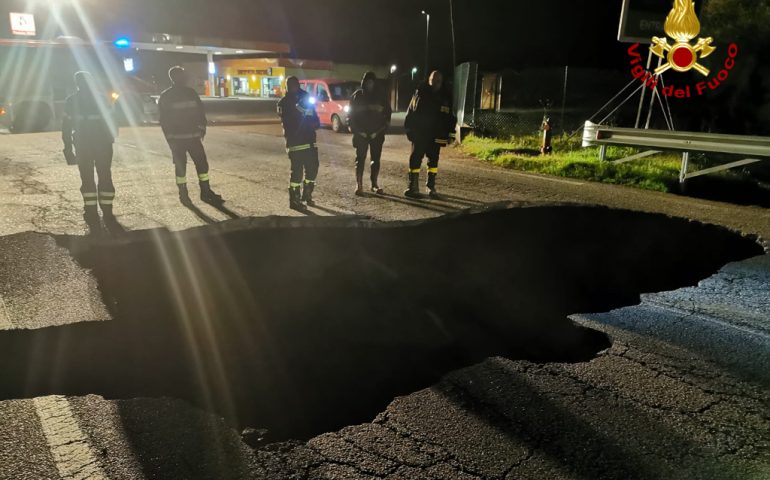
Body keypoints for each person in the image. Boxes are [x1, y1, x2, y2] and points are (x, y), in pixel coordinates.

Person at [158, 66, 223, 205]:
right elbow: (199, 113)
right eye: (182, 75)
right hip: (191, 138)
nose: (185, 78)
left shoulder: (166, 95)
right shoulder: (189, 93)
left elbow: (164, 120)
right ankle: (201, 192)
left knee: (186, 166)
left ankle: (187, 194)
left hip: (181, 139)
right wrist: (201, 129)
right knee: (200, 165)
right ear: (176, 77)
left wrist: (170, 138)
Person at [62, 71, 117, 228]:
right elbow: (113, 120)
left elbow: (66, 127)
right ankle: (107, 210)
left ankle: (91, 211)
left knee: (86, 177)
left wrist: (67, 148)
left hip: (83, 144)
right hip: (103, 144)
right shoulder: (102, 99)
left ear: (77, 83)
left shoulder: (71, 101)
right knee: (105, 175)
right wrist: (111, 138)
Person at [403, 70, 456, 198]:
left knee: (433, 162)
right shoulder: (420, 94)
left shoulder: (446, 97)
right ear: (429, 80)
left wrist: (451, 134)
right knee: (415, 159)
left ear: (441, 82)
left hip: (437, 135)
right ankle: (413, 187)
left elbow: (450, 117)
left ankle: (431, 187)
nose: (436, 84)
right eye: (433, 81)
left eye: (438, 81)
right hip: (420, 134)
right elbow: (411, 111)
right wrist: (409, 130)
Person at [277, 76, 321, 210]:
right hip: (295, 143)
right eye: (291, 85)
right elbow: (288, 122)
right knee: (297, 173)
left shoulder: (306, 98)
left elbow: (315, 119)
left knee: (313, 169)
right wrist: (299, 111)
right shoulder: (283, 103)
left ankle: (307, 195)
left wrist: (313, 123)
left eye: (295, 85)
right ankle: (294, 201)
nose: (293, 87)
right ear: (287, 87)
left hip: (310, 142)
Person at [349, 71, 391, 196]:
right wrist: (357, 131)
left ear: (374, 83)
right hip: (361, 134)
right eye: (367, 81)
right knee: (360, 159)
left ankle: (374, 184)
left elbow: (387, 114)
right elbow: (350, 117)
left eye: (371, 82)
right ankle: (359, 185)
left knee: (375, 159)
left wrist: (381, 130)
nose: (369, 84)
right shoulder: (357, 96)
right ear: (363, 82)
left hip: (376, 134)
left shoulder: (381, 96)